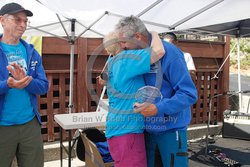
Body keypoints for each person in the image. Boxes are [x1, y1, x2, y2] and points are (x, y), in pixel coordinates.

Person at [115, 16, 198, 167]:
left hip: (171, 130)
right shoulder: (139, 56)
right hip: (146, 130)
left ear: (138, 37)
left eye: (124, 42)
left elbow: (189, 93)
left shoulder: (171, 54)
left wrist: (158, 108)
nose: (121, 47)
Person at [102, 30, 165, 167]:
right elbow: (159, 51)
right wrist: (153, 33)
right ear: (121, 43)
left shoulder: (112, 63)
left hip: (115, 129)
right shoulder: (126, 59)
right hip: (128, 131)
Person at [0, 3, 48, 167]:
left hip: (30, 124)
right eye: (17, 19)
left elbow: (43, 86)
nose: (23, 25)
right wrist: (7, 84)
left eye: (25, 21)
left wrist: (27, 81)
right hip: (2, 125)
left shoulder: (32, 52)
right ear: (2, 20)